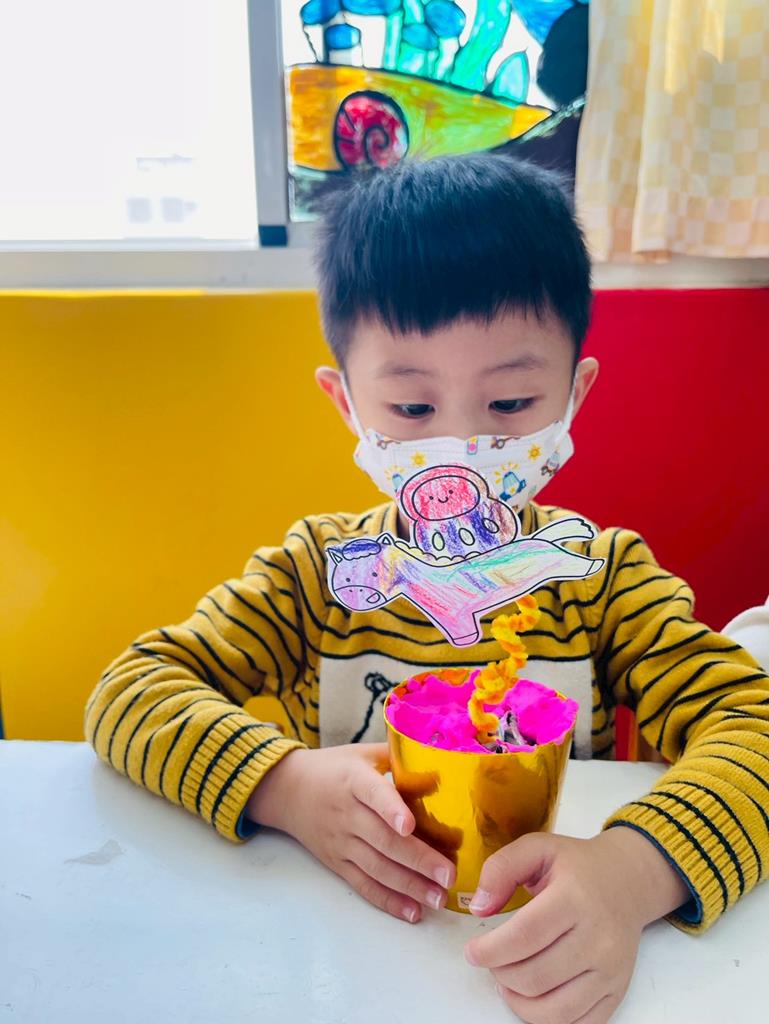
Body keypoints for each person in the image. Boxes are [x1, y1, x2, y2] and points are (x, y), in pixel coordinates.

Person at [85, 154, 769, 1024]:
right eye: (411, 410)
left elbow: (755, 725)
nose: (459, 447)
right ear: (347, 405)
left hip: (535, 958)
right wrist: (283, 786)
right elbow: (128, 692)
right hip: (332, 965)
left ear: (573, 394)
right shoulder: (317, 571)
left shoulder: (600, 577)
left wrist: (636, 871)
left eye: (510, 403)